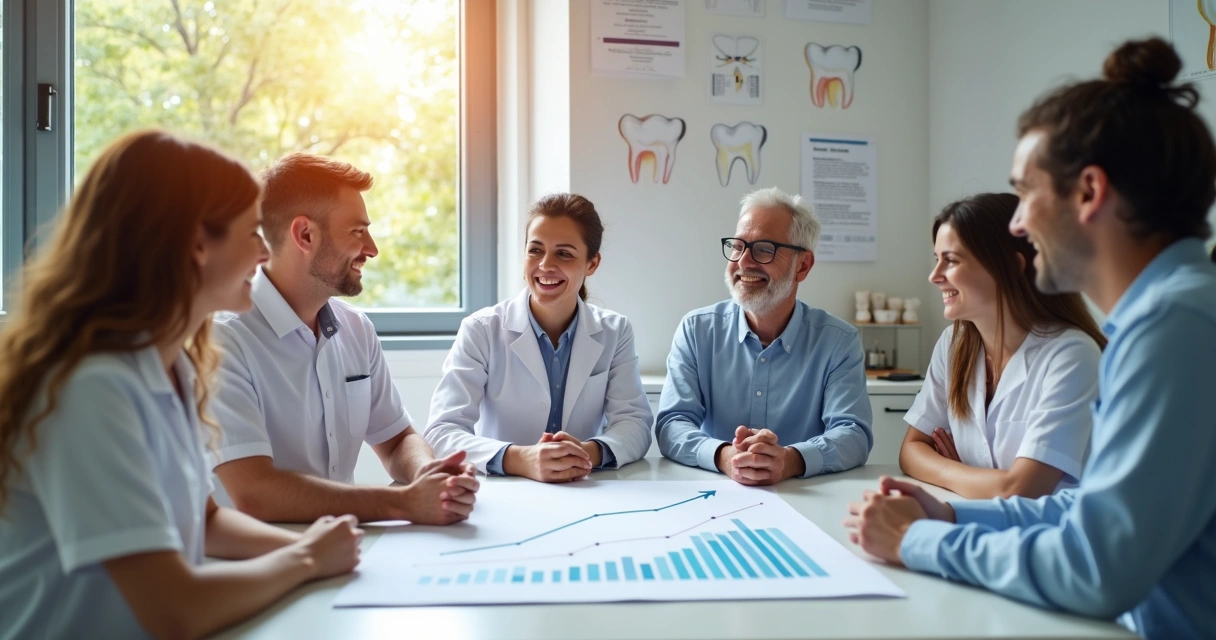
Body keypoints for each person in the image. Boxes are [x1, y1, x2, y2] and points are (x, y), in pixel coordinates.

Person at [845, 38, 1216, 639]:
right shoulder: (1165, 320)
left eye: (1026, 193)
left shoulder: (1174, 331)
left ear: (1090, 193)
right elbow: (1091, 511)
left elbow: (1096, 568)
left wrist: (920, 541)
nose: (1017, 224)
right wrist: (949, 511)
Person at [0, 131, 363, 639]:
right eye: (251, 233)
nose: (264, 253)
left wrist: (320, 548)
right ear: (196, 244)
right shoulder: (91, 387)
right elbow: (173, 610)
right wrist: (304, 558)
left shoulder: (174, 367)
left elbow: (207, 520)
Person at [209, 153, 478, 523]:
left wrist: (427, 474)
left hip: (344, 549)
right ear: (305, 234)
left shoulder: (356, 329)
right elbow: (254, 492)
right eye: (357, 231)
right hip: (261, 558)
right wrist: (404, 504)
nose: (371, 248)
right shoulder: (223, 340)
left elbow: (398, 440)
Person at [425, 194, 652, 482]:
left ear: (592, 263)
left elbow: (634, 423)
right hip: (504, 488)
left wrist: (585, 453)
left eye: (564, 253)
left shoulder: (615, 331)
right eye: (535, 250)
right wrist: (522, 459)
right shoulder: (481, 329)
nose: (545, 265)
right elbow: (442, 431)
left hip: (584, 487)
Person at [656, 187, 872, 485]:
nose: (744, 262)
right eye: (737, 246)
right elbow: (671, 424)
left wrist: (790, 460)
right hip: (713, 494)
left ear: (803, 265)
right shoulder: (697, 330)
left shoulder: (837, 341)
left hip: (802, 496)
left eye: (764, 249)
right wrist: (725, 456)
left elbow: (854, 434)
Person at [899, 192, 1105, 499]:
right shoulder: (954, 345)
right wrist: (975, 479)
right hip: (982, 525)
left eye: (951, 260)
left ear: (1010, 266)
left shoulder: (1072, 356)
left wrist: (952, 471)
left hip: (1051, 537)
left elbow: (1024, 489)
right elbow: (911, 450)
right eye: (936, 259)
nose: (934, 276)